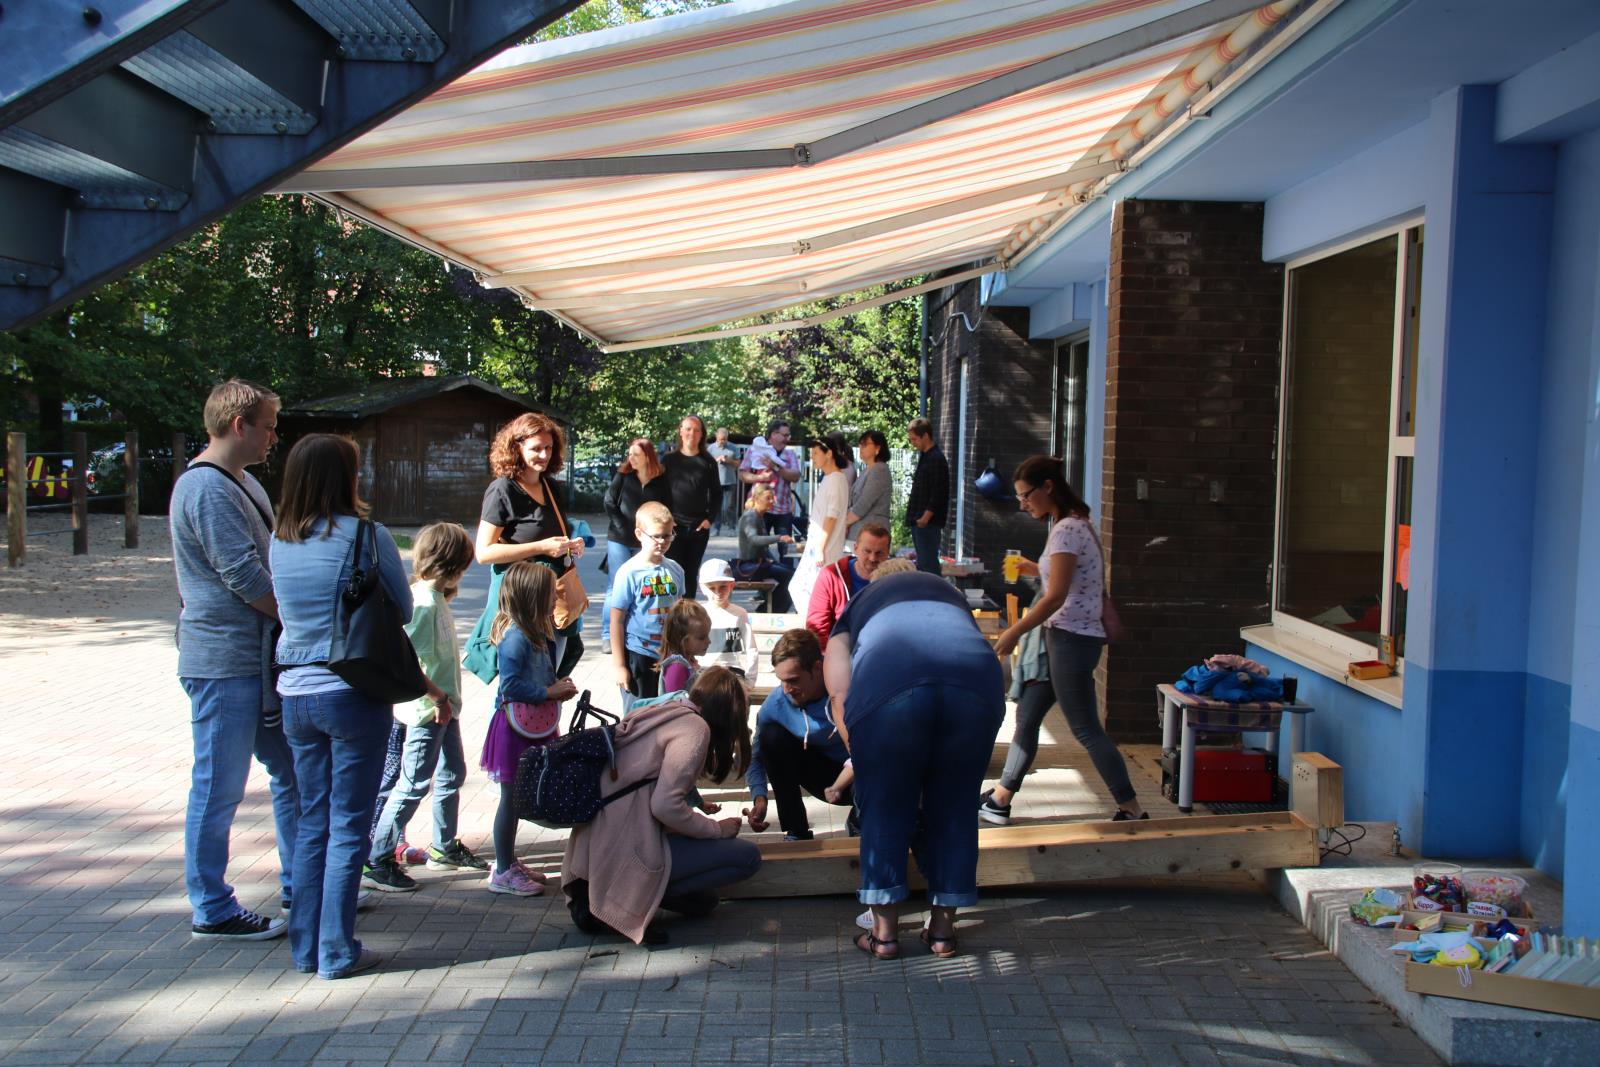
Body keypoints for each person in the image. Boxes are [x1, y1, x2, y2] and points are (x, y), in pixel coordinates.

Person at [272, 433, 445, 979]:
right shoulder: (366, 535)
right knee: (349, 825)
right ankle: (336, 950)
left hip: (295, 692)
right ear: (345, 477)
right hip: (351, 690)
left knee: (312, 822)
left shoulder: (279, 540)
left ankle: (306, 948)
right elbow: (400, 608)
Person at [170, 379, 298, 941]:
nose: (274, 437)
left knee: (292, 770)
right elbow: (244, 576)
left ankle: (302, 882)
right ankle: (211, 906)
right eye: (268, 426)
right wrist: (301, 621)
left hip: (255, 659)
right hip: (223, 662)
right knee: (218, 785)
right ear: (239, 425)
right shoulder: (206, 488)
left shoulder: (243, 482)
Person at [823, 570, 1005, 959]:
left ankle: (884, 935)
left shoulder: (857, 605)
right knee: (956, 807)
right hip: (977, 685)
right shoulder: (951, 597)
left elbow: (839, 692)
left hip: (892, 683)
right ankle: (942, 932)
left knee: (885, 806)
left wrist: (865, 755)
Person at [990, 455, 1147, 821]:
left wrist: (1014, 631)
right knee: (1028, 716)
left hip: (1070, 640)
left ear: (1048, 487)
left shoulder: (1067, 530)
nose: (1022, 504)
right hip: (1063, 639)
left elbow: (1056, 596)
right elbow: (1068, 579)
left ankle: (1131, 808)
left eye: (1026, 495)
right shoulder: (1071, 524)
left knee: (1085, 728)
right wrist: (1033, 567)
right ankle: (1000, 799)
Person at [563, 667, 760, 946]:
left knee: (705, 902)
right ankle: (625, 902)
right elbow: (665, 806)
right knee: (748, 857)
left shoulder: (664, 710)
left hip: (591, 861)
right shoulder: (695, 728)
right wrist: (716, 829)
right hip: (623, 852)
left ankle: (626, 898)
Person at [364, 523, 485, 894]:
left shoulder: (435, 598)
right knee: (413, 783)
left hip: (445, 709)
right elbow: (407, 660)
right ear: (453, 563)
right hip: (428, 712)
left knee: (452, 774)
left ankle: (444, 846)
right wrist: (437, 698)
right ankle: (377, 858)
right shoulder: (424, 603)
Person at [465, 412, 586, 684]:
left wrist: (570, 546)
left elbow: (554, 537)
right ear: (516, 448)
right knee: (518, 688)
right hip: (521, 603)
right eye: (536, 448)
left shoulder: (550, 486)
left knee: (550, 682)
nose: (544, 455)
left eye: (549, 448)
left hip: (553, 602)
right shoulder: (502, 490)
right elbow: (484, 552)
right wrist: (541, 546)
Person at [481, 561, 578, 896]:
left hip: (531, 726)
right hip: (514, 730)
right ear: (532, 598)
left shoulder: (536, 633)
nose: (556, 599)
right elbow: (510, 686)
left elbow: (538, 676)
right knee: (510, 798)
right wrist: (548, 692)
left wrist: (557, 686)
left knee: (518, 797)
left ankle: (509, 861)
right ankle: (502, 870)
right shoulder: (515, 638)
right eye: (551, 594)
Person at [742, 629, 854, 841]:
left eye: (793, 680)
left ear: (818, 668)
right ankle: (796, 830)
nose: (786, 689)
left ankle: (864, 819)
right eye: (781, 680)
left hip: (862, 772)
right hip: (823, 777)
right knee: (771, 736)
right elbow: (756, 755)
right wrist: (759, 797)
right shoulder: (777, 703)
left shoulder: (849, 685)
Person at [608, 501, 686, 703]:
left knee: (669, 710)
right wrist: (619, 666)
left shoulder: (676, 570)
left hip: (670, 654)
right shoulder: (629, 572)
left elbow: (681, 614)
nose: (662, 541)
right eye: (656, 536)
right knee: (640, 713)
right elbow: (616, 620)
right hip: (639, 655)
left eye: (667, 535)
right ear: (639, 534)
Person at [602, 438, 671, 643]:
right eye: (630, 454)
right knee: (616, 585)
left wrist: (663, 532)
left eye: (636, 455)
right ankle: (608, 634)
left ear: (648, 457)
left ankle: (635, 631)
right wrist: (622, 526)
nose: (631, 458)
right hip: (620, 538)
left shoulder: (660, 479)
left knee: (643, 583)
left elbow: (666, 508)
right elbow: (609, 502)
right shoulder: (623, 476)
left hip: (647, 541)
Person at [788, 433, 852, 616]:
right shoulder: (830, 478)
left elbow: (831, 517)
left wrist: (821, 549)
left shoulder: (836, 479)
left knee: (805, 589)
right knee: (801, 588)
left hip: (824, 547)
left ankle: (815, 623)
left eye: (816, 453)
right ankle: (814, 622)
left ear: (829, 453)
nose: (813, 457)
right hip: (818, 544)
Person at [806, 522, 892, 649]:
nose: (872, 558)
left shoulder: (895, 578)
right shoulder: (830, 575)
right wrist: (828, 657)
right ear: (855, 548)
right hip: (840, 651)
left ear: (888, 552)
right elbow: (817, 628)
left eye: (879, 553)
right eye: (867, 551)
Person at [663, 415, 720, 600]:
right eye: (688, 429)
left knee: (691, 573)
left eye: (696, 430)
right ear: (681, 431)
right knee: (672, 571)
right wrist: (665, 520)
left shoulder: (708, 462)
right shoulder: (669, 460)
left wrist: (709, 520)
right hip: (673, 527)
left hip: (698, 528)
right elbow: (659, 492)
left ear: (702, 434)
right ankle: (672, 612)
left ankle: (687, 612)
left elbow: (717, 494)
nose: (692, 434)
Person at [734, 485, 795, 613]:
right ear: (756, 499)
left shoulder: (759, 516)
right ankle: (768, 611)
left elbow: (762, 547)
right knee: (791, 575)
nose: (772, 501)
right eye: (768, 498)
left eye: (772, 498)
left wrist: (772, 561)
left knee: (792, 572)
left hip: (759, 564)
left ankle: (769, 609)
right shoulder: (750, 517)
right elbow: (754, 539)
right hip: (749, 566)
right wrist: (779, 537)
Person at [738, 419, 802, 537]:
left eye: (788, 435)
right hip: (758, 508)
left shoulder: (790, 454)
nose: (787, 439)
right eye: (785, 435)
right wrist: (760, 477)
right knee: (757, 545)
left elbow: (796, 476)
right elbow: (742, 475)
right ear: (773, 434)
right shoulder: (755, 450)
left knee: (785, 545)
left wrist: (776, 467)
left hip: (783, 509)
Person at [698, 558, 758, 680]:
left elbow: (751, 649)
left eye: (723, 587)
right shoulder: (698, 613)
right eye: (712, 588)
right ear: (702, 588)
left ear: (731, 586)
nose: (718, 592)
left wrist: (750, 680)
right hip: (704, 672)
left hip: (732, 673)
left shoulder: (740, 614)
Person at [906, 418, 950, 575]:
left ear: (925, 435)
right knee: (923, 563)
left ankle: (932, 589)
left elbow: (939, 491)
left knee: (928, 565)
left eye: (914, 439)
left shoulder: (936, 459)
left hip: (927, 522)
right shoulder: (926, 456)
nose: (913, 443)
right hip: (921, 520)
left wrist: (926, 517)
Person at [846, 430, 893, 543]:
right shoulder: (867, 470)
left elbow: (863, 504)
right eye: (860, 444)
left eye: (865, 444)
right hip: (860, 533)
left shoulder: (880, 470)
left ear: (878, 448)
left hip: (873, 535)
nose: (861, 447)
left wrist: (845, 523)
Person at [658, 598, 712, 693]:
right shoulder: (677, 668)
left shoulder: (689, 661)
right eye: (701, 638)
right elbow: (674, 701)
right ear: (682, 640)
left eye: (707, 635)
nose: (709, 641)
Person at [706, 427, 741, 535]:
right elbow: (706, 465)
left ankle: (731, 528)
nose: (723, 441)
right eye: (721, 439)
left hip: (730, 481)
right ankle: (716, 529)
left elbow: (738, 464)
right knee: (716, 506)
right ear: (716, 436)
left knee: (729, 506)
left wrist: (729, 460)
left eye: (725, 439)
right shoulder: (710, 448)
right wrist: (715, 461)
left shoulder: (733, 447)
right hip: (715, 481)